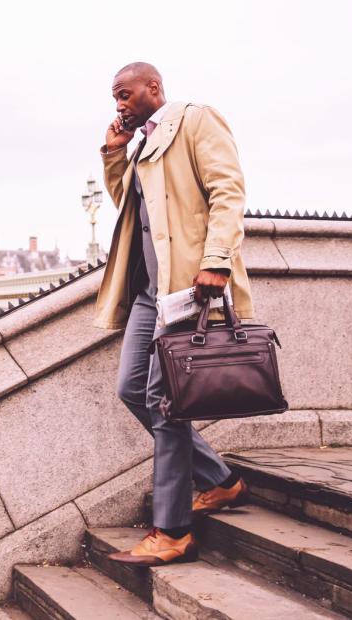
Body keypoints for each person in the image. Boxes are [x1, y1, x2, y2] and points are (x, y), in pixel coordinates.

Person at [94, 62, 253, 567]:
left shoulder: (195, 120)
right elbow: (128, 207)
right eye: (114, 96)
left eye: (124, 93)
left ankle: (173, 531)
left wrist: (216, 262)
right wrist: (115, 154)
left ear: (153, 87)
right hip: (148, 292)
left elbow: (228, 193)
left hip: (186, 287)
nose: (118, 103)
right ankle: (222, 481)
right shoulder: (141, 143)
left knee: (165, 404)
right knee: (130, 389)